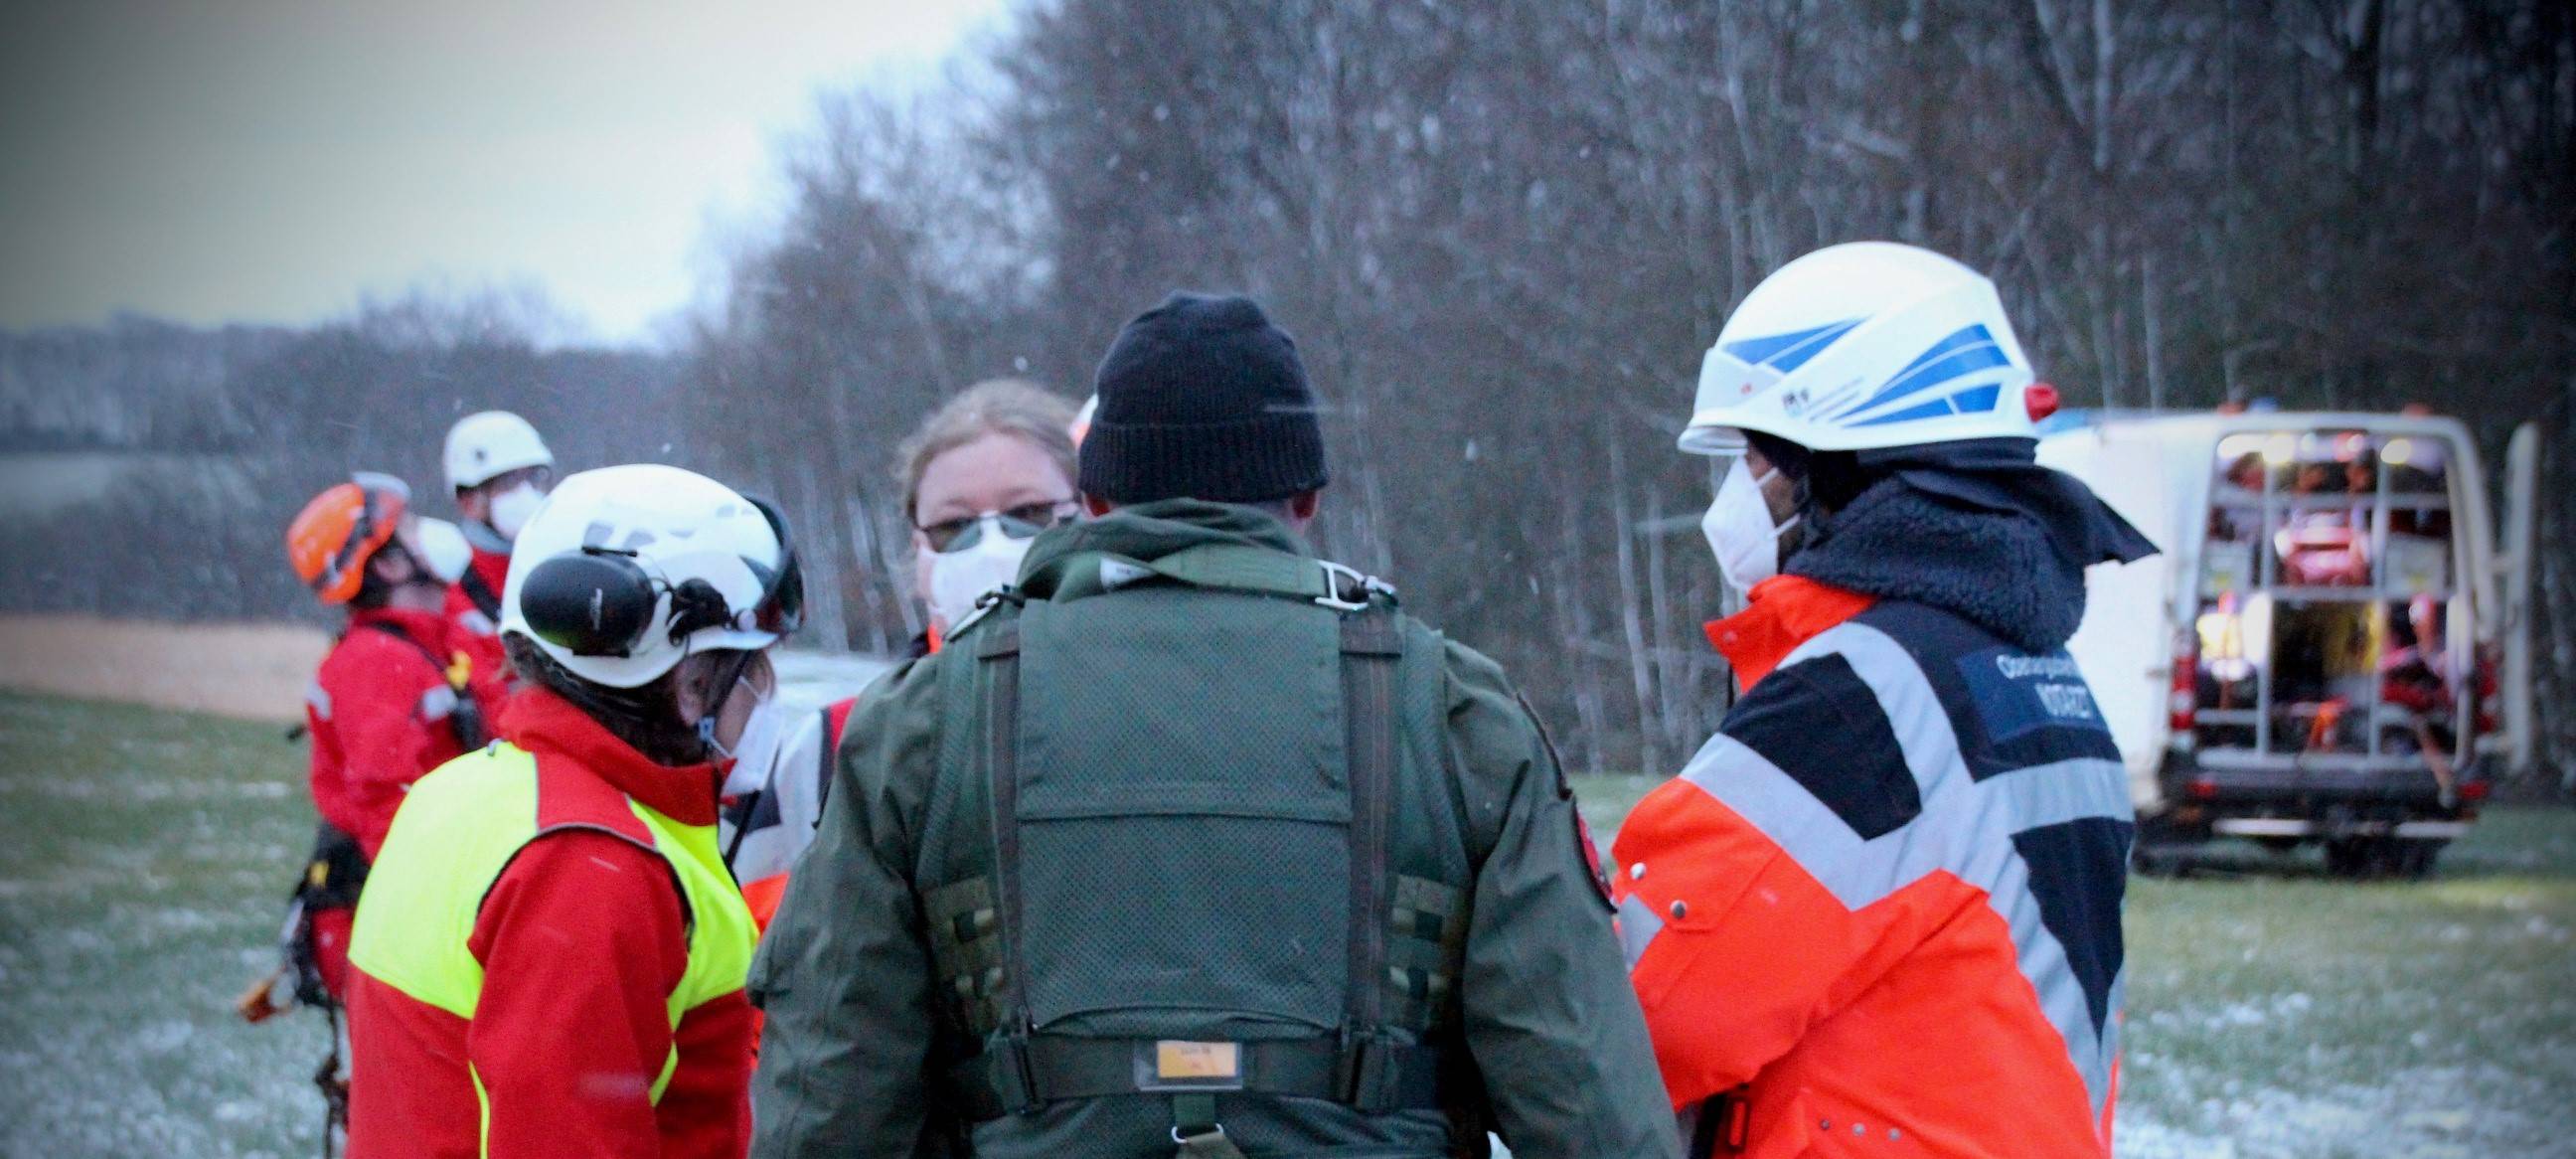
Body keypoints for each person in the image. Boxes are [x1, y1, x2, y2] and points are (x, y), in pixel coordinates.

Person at [748, 292, 1675, 1159]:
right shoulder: (1455, 711)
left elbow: (832, 1094)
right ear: (1307, 498)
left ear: (1098, 499)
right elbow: (1586, 1099)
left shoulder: (926, 719)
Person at [1613, 243, 2157, 1158]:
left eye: (1752, 457)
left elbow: (1640, 1016)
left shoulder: (1859, 705)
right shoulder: (2038, 674)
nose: (1736, 496)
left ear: (1832, 468)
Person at [344, 463, 800, 1158]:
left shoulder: (471, 790)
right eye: (752, 666)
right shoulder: (593, 868)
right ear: (690, 685)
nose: (767, 690)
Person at [721, 380, 1080, 932]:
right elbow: (757, 956)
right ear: (918, 551)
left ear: (1089, 516)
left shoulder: (1152, 709)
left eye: (1027, 513)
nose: (990, 546)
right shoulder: (834, 747)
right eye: (954, 526)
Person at [279, 472, 480, 1004]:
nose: (426, 532)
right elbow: (389, 805)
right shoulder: (376, 663)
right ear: (390, 565)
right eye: (408, 528)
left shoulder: (425, 639)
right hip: (393, 907)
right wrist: (445, 912)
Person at [440, 410, 556, 717]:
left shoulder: (564, 564)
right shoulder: (453, 593)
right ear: (470, 501)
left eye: (535, 477)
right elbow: (493, 709)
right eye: (508, 482)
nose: (527, 493)